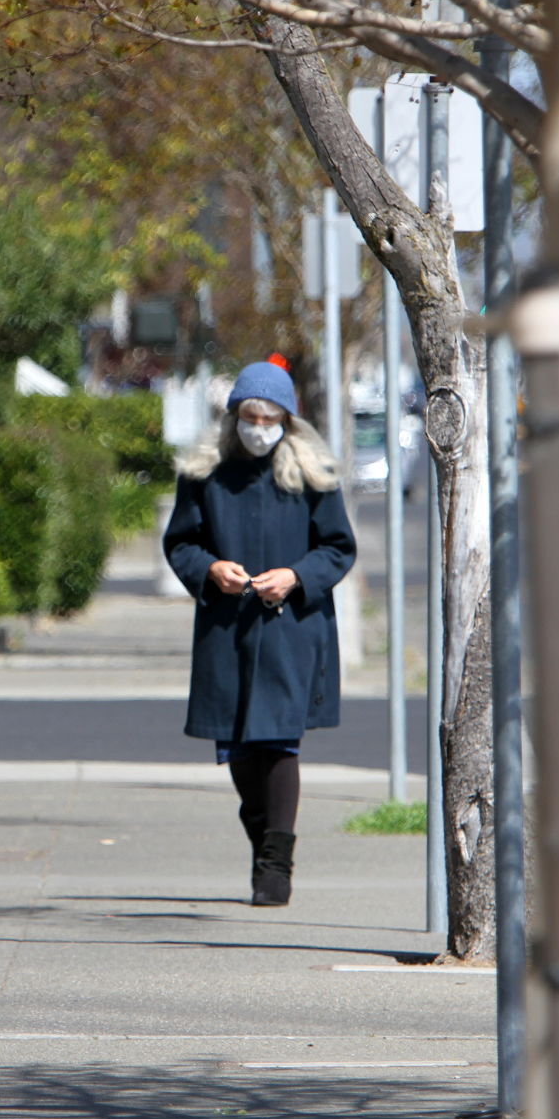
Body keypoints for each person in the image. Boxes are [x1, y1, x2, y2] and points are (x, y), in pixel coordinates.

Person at [162, 360, 356, 907]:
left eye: (271, 417)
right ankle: (263, 839)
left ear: (288, 421)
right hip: (228, 628)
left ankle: (276, 865)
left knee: (278, 741)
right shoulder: (204, 474)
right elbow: (181, 542)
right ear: (233, 418)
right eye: (251, 415)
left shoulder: (313, 472)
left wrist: (296, 576)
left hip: (292, 627)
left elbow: (338, 547)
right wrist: (209, 570)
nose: (260, 426)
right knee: (240, 751)